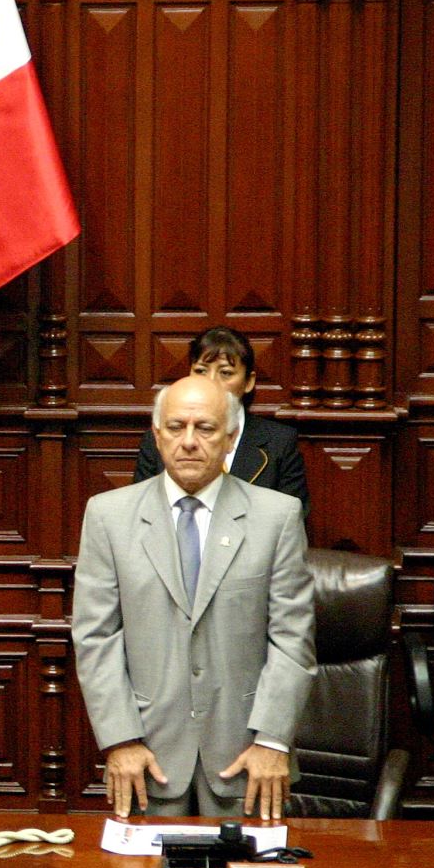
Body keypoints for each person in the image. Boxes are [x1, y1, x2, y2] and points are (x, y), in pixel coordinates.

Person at [73, 375, 316, 821]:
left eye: (204, 428)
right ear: (157, 436)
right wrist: (120, 739)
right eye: (176, 427)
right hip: (145, 758)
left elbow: (293, 640)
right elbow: (96, 639)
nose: (188, 442)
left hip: (248, 761)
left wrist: (272, 740)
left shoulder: (276, 516)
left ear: (229, 439)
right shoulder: (108, 516)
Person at [133, 326, 309, 516]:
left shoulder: (279, 442)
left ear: (249, 381)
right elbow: (142, 513)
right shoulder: (159, 438)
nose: (211, 381)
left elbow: (290, 521)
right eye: (201, 371)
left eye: (225, 373)